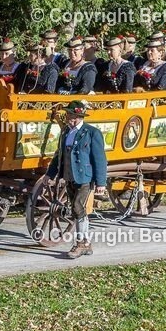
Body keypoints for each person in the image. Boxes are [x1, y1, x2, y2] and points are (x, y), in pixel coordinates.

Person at [44, 100, 107, 259]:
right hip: (69, 176)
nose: (67, 117)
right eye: (67, 114)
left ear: (78, 116)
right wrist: (49, 174)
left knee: (78, 207)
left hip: (84, 177)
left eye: (70, 114)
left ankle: (80, 244)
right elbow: (59, 155)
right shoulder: (66, 132)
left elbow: (99, 159)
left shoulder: (92, 132)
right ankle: (86, 243)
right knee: (76, 208)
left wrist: (101, 183)